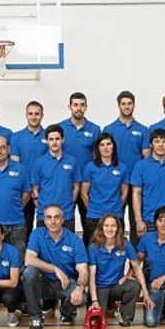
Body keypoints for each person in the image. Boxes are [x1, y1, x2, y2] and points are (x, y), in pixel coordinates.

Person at [22, 204, 88, 329]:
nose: (53, 221)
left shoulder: (75, 240)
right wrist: (55, 269)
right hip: (43, 283)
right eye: (49, 217)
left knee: (83, 297)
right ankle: (36, 318)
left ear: (62, 220)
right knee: (29, 272)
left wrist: (80, 288)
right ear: (44, 220)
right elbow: (29, 259)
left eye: (57, 217)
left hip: (65, 283)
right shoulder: (37, 234)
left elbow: (83, 270)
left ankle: (65, 311)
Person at [102, 90, 150, 244]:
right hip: (115, 183)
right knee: (114, 221)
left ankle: (136, 253)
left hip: (137, 183)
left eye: (129, 103)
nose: (126, 106)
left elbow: (147, 157)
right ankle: (117, 251)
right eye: (123, 104)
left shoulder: (143, 130)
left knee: (137, 221)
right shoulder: (109, 129)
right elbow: (103, 156)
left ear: (134, 105)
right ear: (118, 106)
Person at [87, 214, 144, 327]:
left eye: (113, 226)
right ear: (101, 228)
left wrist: (145, 292)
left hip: (116, 285)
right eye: (106, 226)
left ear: (118, 228)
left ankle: (125, 315)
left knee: (134, 286)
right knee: (98, 322)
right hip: (100, 287)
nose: (110, 229)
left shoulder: (125, 244)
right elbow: (91, 277)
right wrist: (94, 300)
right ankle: (101, 305)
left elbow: (137, 267)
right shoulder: (93, 247)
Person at [58, 92, 100, 229]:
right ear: (69, 107)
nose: (79, 108)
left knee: (89, 223)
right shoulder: (60, 128)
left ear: (86, 107)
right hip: (66, 182)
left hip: (87, 183)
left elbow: (97, 157)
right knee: (64, 222)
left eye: (82, 105)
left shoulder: (94, 129)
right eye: (75, 105)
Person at [80, 133, 129, 246]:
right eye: (102, 145)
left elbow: (124, 193)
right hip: (94, 217)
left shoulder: (122, 168)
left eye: (108, 144)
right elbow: (83, 193)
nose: (106, 148)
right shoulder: (90, 167)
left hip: (116, 216)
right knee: (92, 250)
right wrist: (93, 208)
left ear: (113, 146)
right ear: (98, 148)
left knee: (117, 250)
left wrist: (115, 208)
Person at [30, 124, 81, 231]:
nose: (54, 142)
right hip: (44, 216)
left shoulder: (72, 161)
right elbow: (34, 190)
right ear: (46, 141)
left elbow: (76, 187)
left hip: (66, 215)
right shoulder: (39, 163)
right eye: (51, 139)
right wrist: (42, 209)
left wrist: (69, 204)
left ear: (63, 140)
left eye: (57, 139)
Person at [10, 101, 48, 239]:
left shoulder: (49, 136)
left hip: (44, 189)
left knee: (44, 228)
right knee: (24, 229)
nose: (33, 117)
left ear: (42, 115)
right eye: (30, 114)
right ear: (26, 115)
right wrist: (27, 187)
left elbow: (50, 164)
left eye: (37, 114)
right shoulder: (16, 137)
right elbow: (15, 165)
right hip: (23, 190)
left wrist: (37, 187)